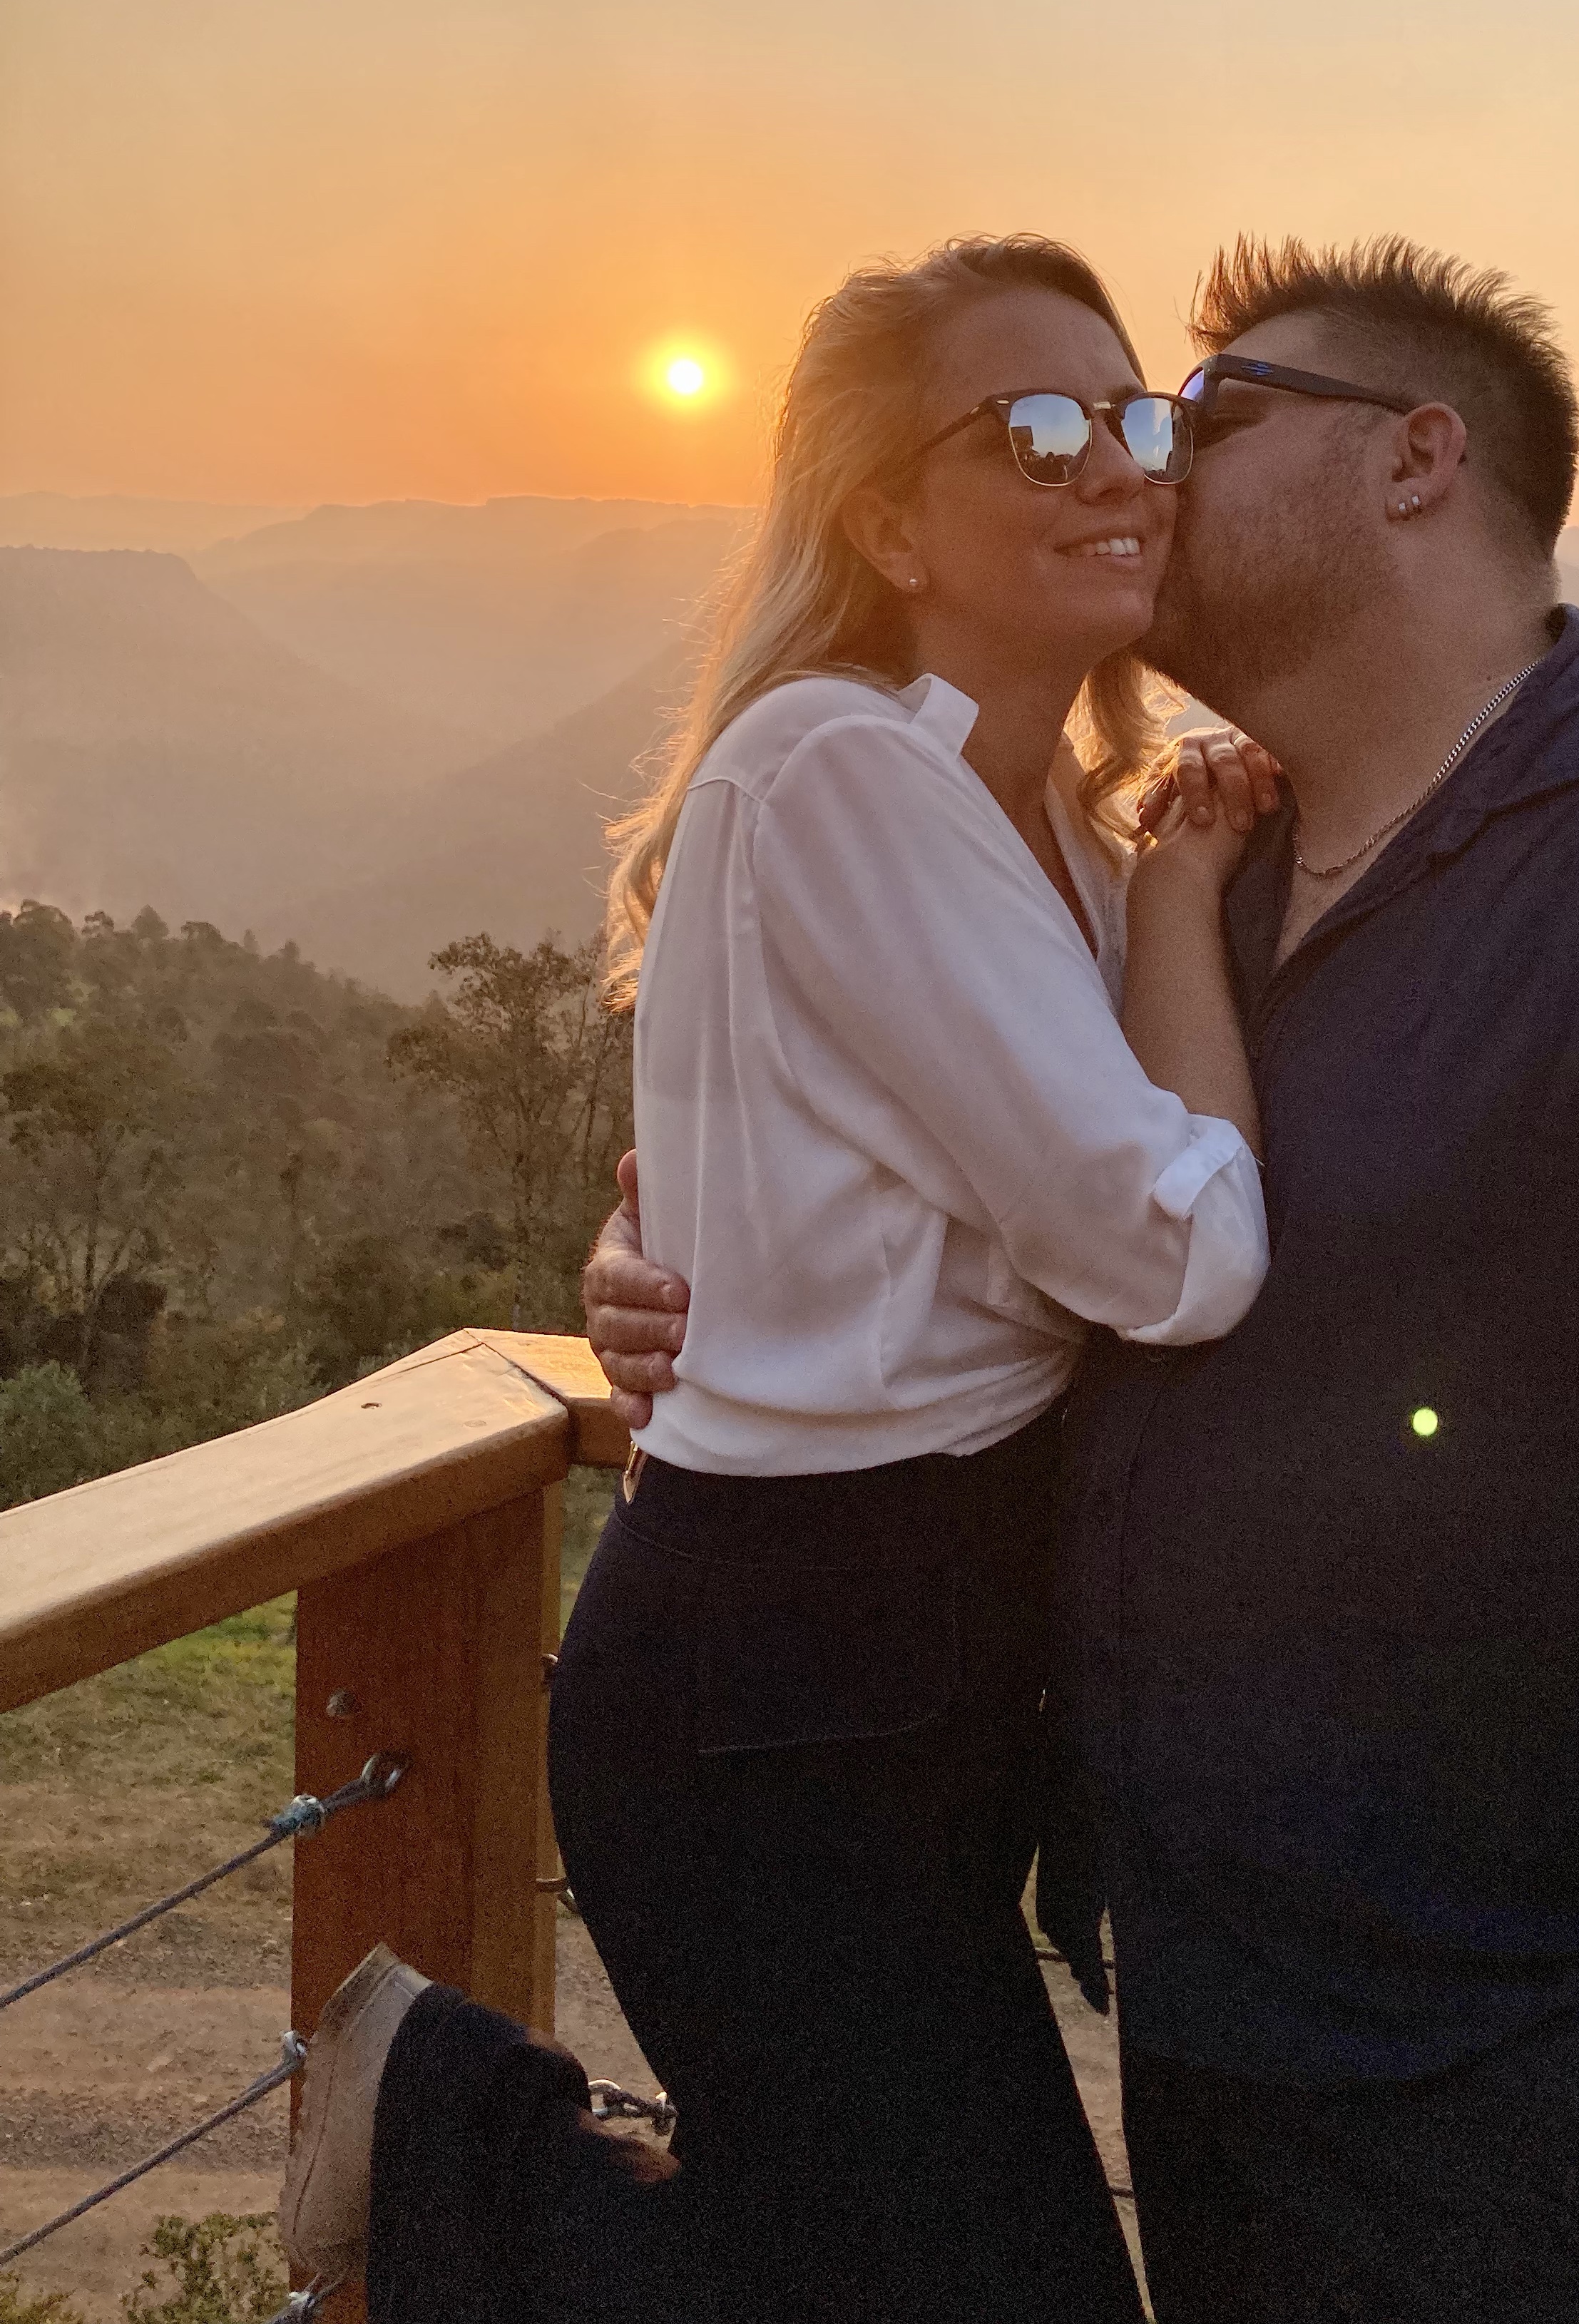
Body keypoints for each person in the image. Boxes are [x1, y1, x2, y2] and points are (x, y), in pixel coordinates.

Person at [588, 235, 1579, 2322]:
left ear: (1417, 459)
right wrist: (673, 1257)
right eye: (1099, 424)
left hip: (1493, 2049)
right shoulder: (1200, 873)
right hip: (1195, 1995)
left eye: (1205, 417)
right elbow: (920, 1160)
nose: (1149, 466)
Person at [279, 235, 1275, 2324]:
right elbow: (1171, 1254)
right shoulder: (845, 770)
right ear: (890, 522)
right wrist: (1191, 911)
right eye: (1039, 428)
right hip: (783, 1685)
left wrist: (660, 1254)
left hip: (912, 1662)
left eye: (1137, 414)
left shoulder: (1046, 815)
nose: (1121, 464)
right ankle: (456, 2139)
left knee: (863, 2259)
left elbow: (854, 1199)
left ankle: (462, 2137)